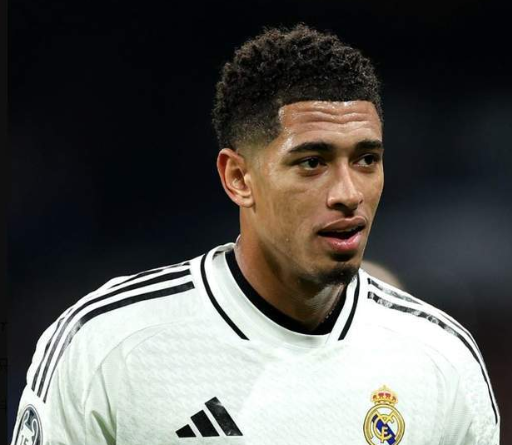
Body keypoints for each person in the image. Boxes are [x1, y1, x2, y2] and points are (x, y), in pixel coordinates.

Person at [11, 24, 499, 445]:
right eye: (312, 162)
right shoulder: (108, 344)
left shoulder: (440, 357)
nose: (349, 193)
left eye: (367, 159)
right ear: (238, 178)